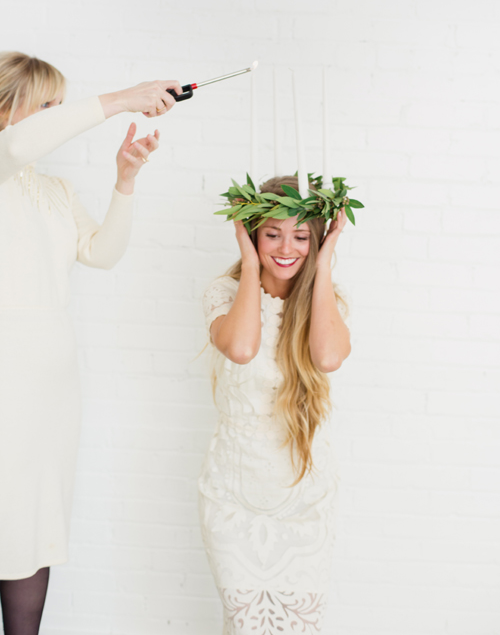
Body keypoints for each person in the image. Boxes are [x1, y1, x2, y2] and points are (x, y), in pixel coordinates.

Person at [0, 51, 182, 635]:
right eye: (46, 105)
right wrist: (124, 99)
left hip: (52, 391)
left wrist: (124, 182)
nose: (57, 115)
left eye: (60, 105)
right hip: (6, 387)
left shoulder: (53, 188)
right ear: (8, 106)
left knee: (33, 526)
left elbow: (102, 254)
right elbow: (17, 145)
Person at [199, 175, 351, 634]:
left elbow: (327, 358)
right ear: (251, 233)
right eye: (272, 234)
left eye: (302, 236)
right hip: (234, 497)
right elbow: (241, 348)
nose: (287, 248)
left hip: (305, 500)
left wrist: (323, 265)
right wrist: (250, 265)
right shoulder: (223, 294)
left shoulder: (327, 302)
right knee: (245, 625)